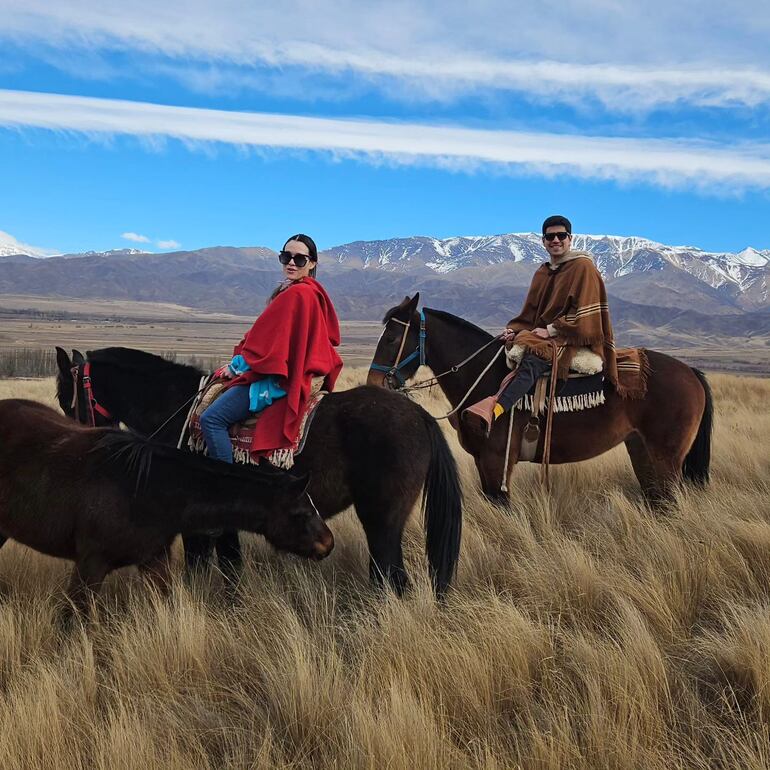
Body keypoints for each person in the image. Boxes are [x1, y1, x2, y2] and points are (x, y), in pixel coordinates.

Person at [463, 215, 618, 435]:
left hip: (572, 337)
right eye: (550, 236)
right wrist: (515, 331)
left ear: (570, 238)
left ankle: (496, 411)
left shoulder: (583, 267)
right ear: (543, 241)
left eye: (561, 235)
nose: (556, 240)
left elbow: (587, 317)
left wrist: (551, 330)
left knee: (534, 359)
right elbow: (532, 313)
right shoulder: (543, 271)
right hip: (544, 333)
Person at [200, 233, 343, 463]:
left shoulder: (296, 294)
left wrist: (235, 368)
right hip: (294, 371)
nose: (291, 263)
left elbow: (267, 346)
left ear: (313, 263)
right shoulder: (312, 292)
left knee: (212, 419)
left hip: (278, 380)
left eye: (300, 259)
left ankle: (226, 485)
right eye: (286, 256)